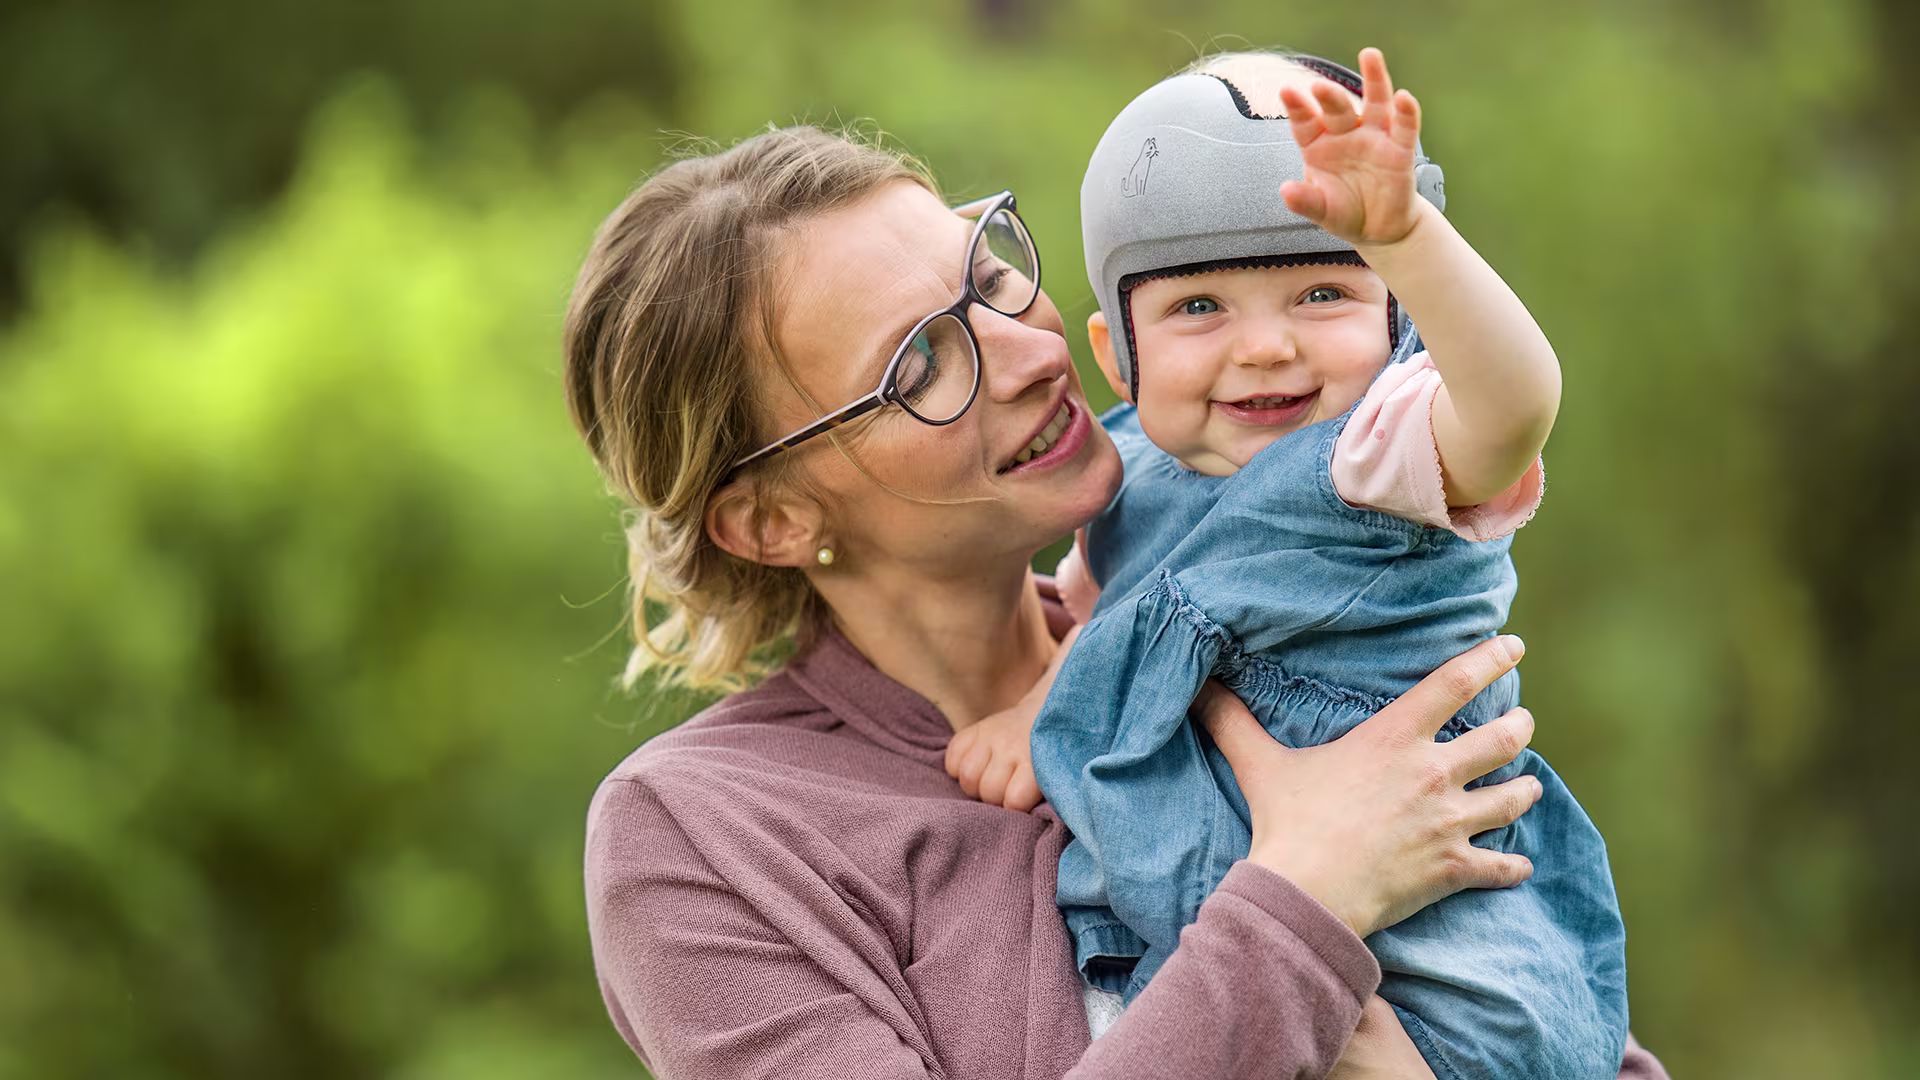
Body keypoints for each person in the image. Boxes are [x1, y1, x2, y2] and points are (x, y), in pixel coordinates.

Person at [564, 118, 1668, 1078]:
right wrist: (1307, 897)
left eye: (990, 278)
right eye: (920, 365)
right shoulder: (706, 834)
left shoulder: (1264, 626)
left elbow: (1556, 1002)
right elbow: (1303, 920)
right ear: (774, 522)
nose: (1029, 352)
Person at [1007, 47, 1624, 1080]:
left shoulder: (1383, 449)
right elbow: (1097, 631)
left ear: (1398, 326)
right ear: (1118, 355)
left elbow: (1513, 405)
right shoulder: (1129, 475)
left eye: (1323, 292)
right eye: (1198, 308)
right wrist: (1028, 708)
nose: (1265, 348)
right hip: (1227, 957)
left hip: (1438, 971)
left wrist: (1409, 240)